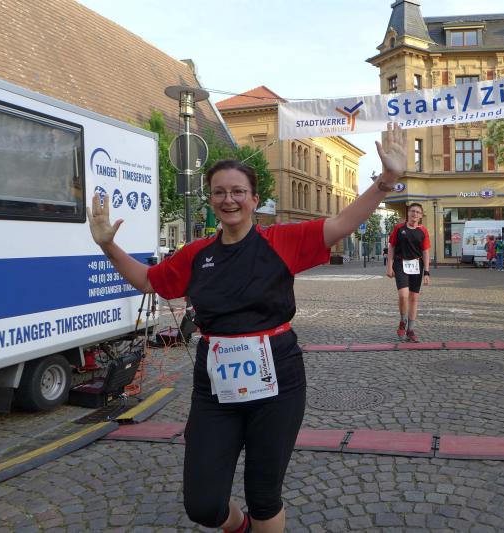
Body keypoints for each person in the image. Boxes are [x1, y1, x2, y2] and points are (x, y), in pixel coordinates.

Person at [87, 124, 406, 533]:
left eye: (238, 191)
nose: (229, 199)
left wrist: (385, 181)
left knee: (264, 496)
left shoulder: (281, 241)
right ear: (211, 199)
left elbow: (343, 223)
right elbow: (150, 281)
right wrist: (108, 245)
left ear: (255, 199)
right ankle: (239, 528)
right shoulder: (195, 254)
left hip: (278, 379)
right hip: (214, 383)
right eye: (219, 192)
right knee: (203, 504)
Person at [386, 203, 430, 342]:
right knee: (403, 295)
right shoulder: (399, 228)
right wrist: (389, 266)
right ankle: (402, 320)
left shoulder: (423, 231)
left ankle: (410, 330)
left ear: (421, 215)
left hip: (417, 265)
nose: (415, 214)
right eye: (412, 211)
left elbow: (425, 252)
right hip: (400, 263)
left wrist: (427, 272)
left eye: (418, 212)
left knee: (414, 298)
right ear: (408, 213)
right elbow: (392, 246)